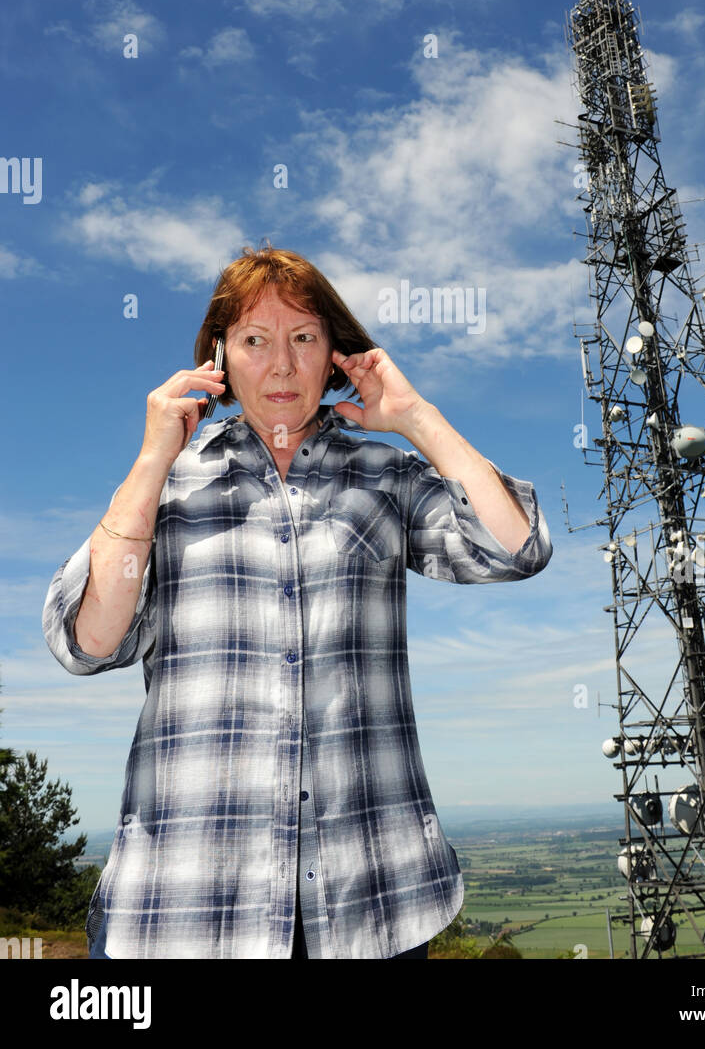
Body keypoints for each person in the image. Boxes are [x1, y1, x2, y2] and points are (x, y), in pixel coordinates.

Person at [43, 244, 553, 959]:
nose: (280, 364)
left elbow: (516, 548)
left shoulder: (384, 474)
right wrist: (151, 460)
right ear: (218, 359)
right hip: (184, 910)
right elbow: (87, 641)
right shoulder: (166, 485)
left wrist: (416, 418)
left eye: (303, 338)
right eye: (255, 340)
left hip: (371, 905)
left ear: (333, 354)